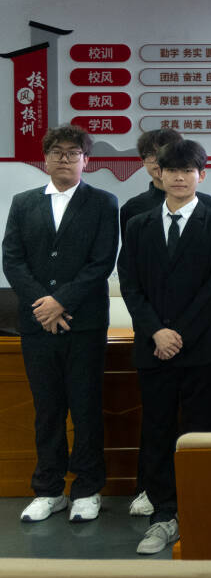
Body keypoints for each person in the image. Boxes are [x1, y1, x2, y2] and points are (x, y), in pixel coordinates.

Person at [117, 139, 211, 555]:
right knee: (158, 430)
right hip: (153, 348)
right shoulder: (138, 225)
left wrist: (178, 333)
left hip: (199, 347)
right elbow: (130, 284)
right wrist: (156, 332)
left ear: (202, 175)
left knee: (200, 431)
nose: (180, 178)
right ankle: (164, 515)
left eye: (188, 170)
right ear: (159, 174)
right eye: (172, 170)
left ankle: (203, 512)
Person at [3, 125, 118, 524]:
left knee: (86, 408)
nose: (64, 159)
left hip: (84, 324)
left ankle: (87, 489)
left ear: (86, 160)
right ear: (45, 159)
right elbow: (12, 259)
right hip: (37, 325)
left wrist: (62, 302)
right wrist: (43, 305)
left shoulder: (103, 202)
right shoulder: (23, 203)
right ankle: (49, 490)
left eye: (72, 153)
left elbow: (102, 261)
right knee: (47, 409)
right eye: (56, 152)